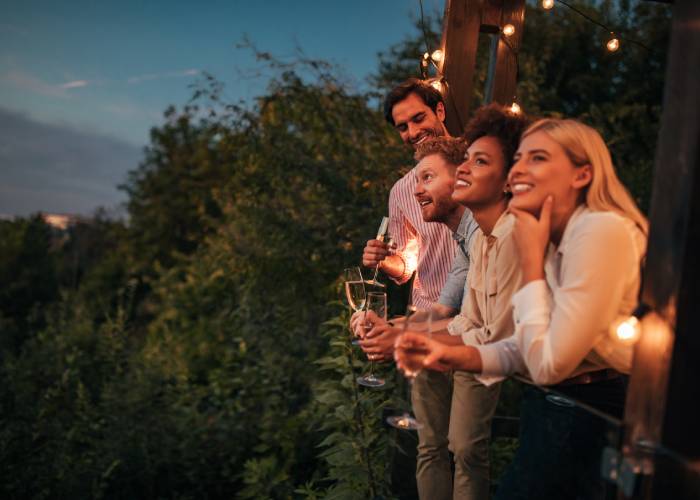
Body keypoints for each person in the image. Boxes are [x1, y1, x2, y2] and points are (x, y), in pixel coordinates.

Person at [395, 118, 648, 499]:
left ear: (582, 174)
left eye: (538, 158)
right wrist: (427, 344)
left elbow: (546, 361)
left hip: (592, 409)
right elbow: (516, 347)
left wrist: (530, 262)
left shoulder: (599, 231)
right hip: (548, 402)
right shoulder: (547, 235)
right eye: (520, 159)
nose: (520, 169)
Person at [363, 105, 530, 499]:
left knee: (466, 447)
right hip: (438, 323)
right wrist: (399, 325)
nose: (418, 189)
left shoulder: (497, 233)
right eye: (401, 126)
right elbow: (427, 287)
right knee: (431, 444)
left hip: (494, 354)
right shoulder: (468, 237)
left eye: (417, 118)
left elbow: (488, 332)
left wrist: (402, 336)